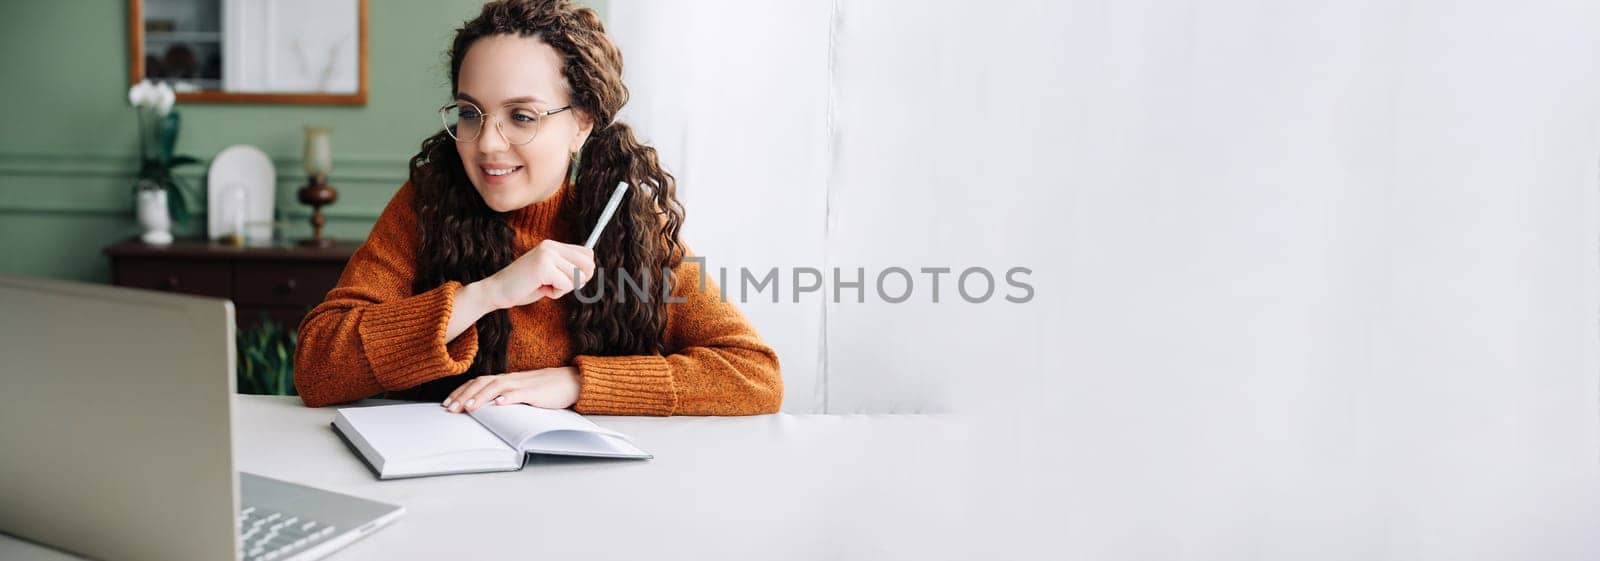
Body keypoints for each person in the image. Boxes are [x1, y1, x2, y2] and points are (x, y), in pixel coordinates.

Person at [293, 0, 782, 416]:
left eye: (521, 116)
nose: (487, 143)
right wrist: (488, 294)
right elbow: (318, 369)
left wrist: (573, 383)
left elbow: (753, 376)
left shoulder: (630, 225)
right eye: (469, 113)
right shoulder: (426, 206)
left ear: (582, 123)